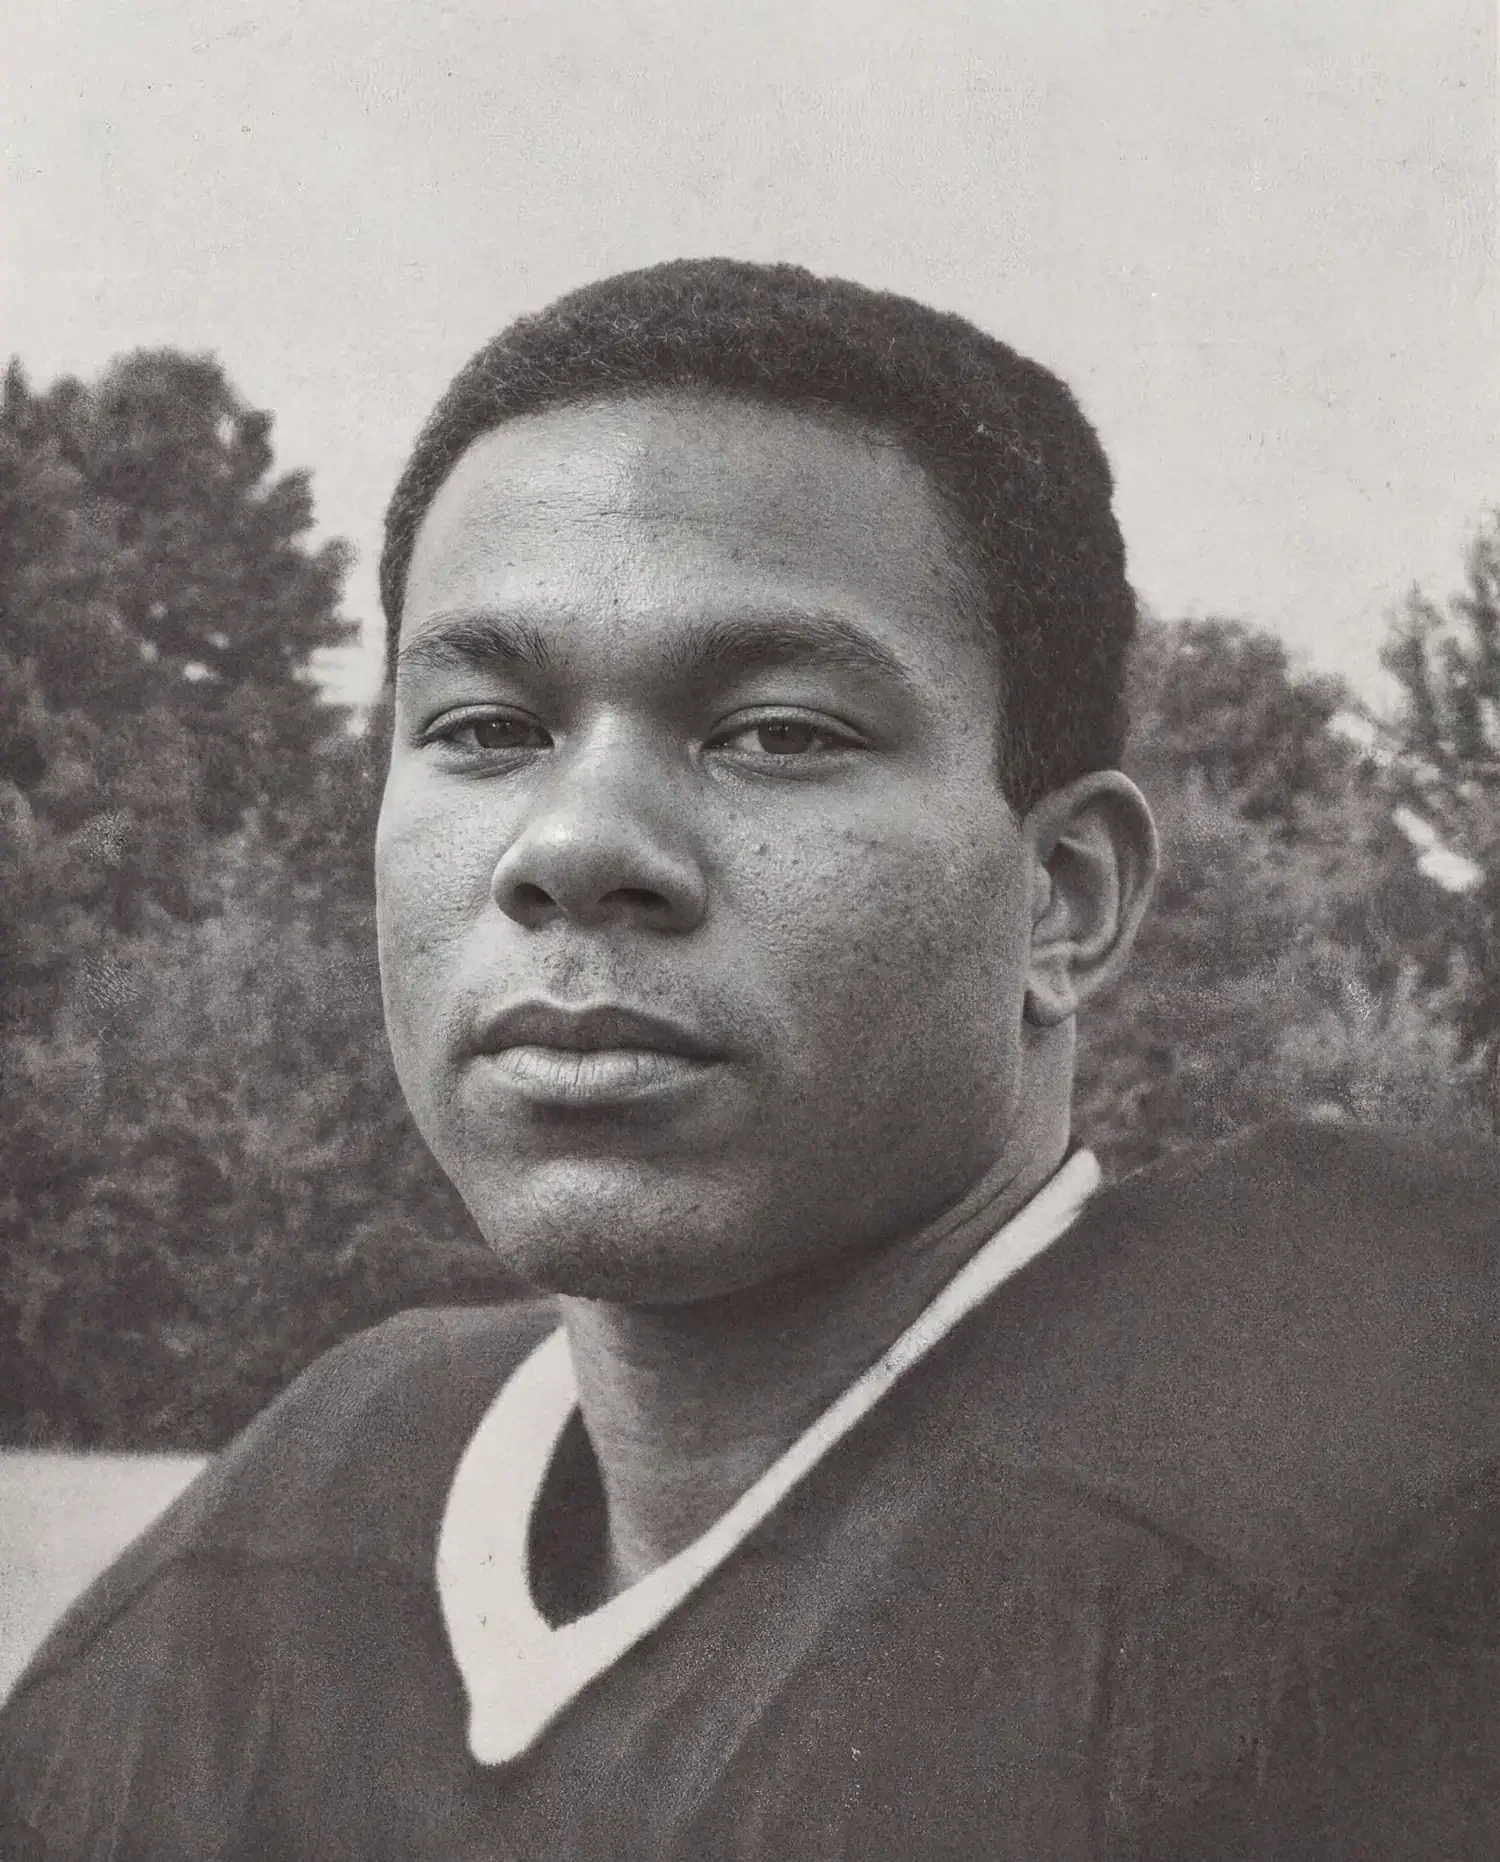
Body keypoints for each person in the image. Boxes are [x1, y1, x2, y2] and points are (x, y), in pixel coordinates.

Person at [3, 259, 1499, 1860]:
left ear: (1063, 896)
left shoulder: (1349, 1547)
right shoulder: (261, 1567)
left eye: (779, 731)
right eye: (485, 728)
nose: (574, 845)